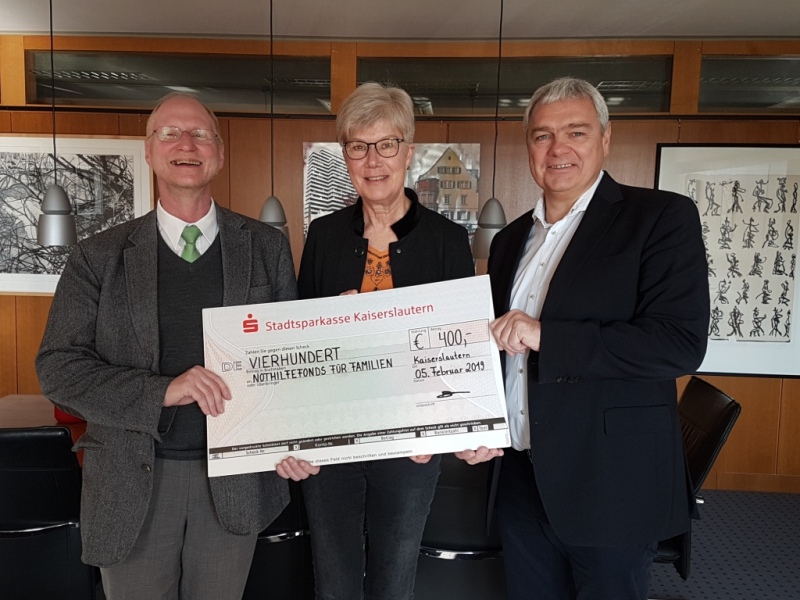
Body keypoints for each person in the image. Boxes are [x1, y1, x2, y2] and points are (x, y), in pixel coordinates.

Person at [35, 93, 297, 600]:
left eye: (200, 134)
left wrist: (298, 440)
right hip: (130, 484)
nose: (186, 144)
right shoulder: (98, 256)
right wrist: (163, 391)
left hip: (235, 481)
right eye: (170, 133)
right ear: (150, 151)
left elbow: (289, 359)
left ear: (219, 153)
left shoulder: (266, 248)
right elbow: (58, 368)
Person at [456, 77, 709, 599]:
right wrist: (478, 422)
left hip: (612, 482)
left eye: (576, 132)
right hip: (521, 477)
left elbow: (678, 344)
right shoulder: (509, 240)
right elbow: (501, 355)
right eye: (542, 135)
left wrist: (547, 335)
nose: (558, 149)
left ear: (605, 139)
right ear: (529, 146)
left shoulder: (660, 217)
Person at [275, 82, 474, 600]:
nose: (372, 160)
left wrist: (440, 432)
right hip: (332, 441)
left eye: (386, 144)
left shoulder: (447, 240)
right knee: (333, 578)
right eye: (358, 146)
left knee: (394, 577)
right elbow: (300, 347)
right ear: (345, 156)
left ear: (408, 151)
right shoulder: (324, 235)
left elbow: (463, 350)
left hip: (411, 446)